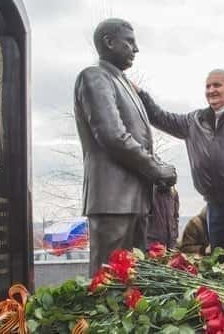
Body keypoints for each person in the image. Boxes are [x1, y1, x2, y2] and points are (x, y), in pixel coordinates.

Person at [137, 69, 224, 273]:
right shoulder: (195, 121)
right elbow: (160, 117)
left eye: (217, 85)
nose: (211, 90)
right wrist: (140, 94)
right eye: (208, 86)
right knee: (222, 265)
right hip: (215, 207)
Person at [74, 18, 176, 276]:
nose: (136, 49)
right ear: (109, 42)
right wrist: (156, 169)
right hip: (112, 200)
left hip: (135, 200)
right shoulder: (95, 76)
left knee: (132, 281)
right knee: (108, 281)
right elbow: (112, 135)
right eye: (129, 42)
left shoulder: (122, 83)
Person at [147, 182, 180, 249]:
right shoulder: (147, 191)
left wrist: (174, 238)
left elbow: (175, 217)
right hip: (151, 246)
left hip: (170, 245)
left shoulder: (174, 192)